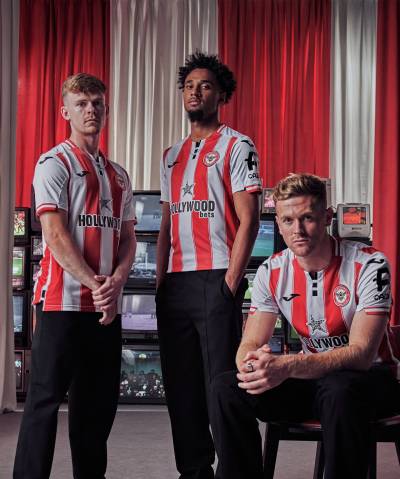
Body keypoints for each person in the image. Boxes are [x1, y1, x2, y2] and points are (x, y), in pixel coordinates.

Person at [211, 173, 400, 479]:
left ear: (327, 217)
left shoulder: (370, 264)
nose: (297, 230)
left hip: (370, 381)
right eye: (288, 220)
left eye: (307, 218)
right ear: (278, 223)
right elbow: (250, 343)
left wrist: (287, 366)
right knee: (226, 388)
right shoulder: (271, 270)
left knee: (339, 389)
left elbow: (361, 355)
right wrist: (253, 367)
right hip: (311, 380)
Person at [13, 73, 136, 479]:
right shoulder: (54, 163)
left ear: (106, 109)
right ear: (65, 111)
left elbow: (128, 238)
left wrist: (117, 280)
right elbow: (54, 234)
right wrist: (96, 283)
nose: (90, 110)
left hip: (104, 308)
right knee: (45, 402)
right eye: (81, 104)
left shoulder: (119, 175)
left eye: (97, 103)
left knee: (96, 409)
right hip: (61, 303)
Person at [156, 51, 262, 478]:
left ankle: (238, 472)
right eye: (188, 86)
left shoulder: (238, 145)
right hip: (175, 284)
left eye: (205, 86)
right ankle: (194, 471)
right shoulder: (170, 155)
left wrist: (230, 284)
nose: (195, 92)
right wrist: (161, 281)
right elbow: (166, 223)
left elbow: (250, 219)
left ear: (222, 95)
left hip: (217, 278)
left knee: (222, 386)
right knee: (181, 389)